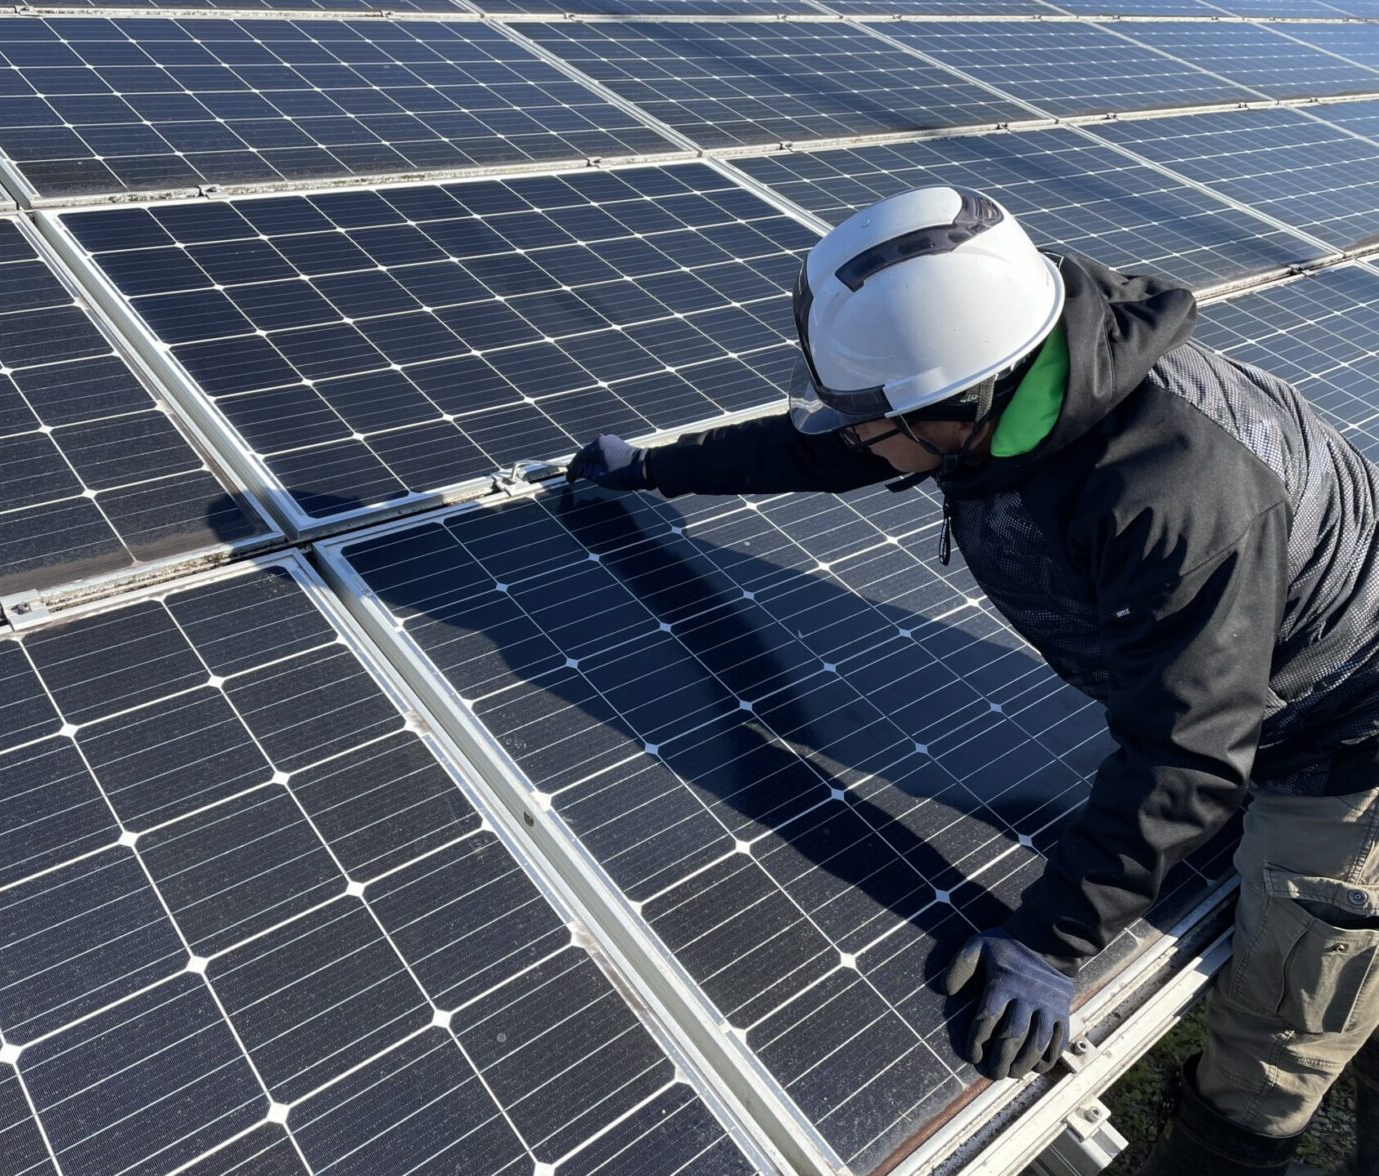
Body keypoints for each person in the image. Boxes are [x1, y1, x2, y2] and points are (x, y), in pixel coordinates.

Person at [565, 185, 1379, 1176]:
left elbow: (1189, 745)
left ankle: (1219, 1153)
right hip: (1238, 660)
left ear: (962, 410)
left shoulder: (1168, 491)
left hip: (1351, 731)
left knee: (1282, 1010)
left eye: (878, 420)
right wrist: (656, 468)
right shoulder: (1017, 376)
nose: (857, 436)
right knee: (1168, 812)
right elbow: (831, 445)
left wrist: (1051, 942)